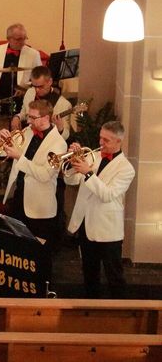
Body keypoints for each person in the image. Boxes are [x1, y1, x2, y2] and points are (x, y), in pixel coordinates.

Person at [65, 121, 135, 298]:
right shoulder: (93, 155)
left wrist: (88, 173)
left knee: (114, 276)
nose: (101, 143)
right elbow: (70, 181)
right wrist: (72, 161)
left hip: (107, 229)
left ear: (118, 142)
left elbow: (107, 195)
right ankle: (91, 310)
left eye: (107, 140)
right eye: (100, 138)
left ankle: (122, 314)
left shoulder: (126, 168)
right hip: (86, 225)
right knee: (89, 275)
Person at [0, 99, 67, 280]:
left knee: (40, 253)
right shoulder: (28, 132)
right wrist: (0, 139)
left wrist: (20, 157)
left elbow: (45, 175)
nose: (28, 121)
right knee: (16, 248)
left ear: (45, 118)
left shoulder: (59, 144)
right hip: (20, 197)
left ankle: (41, 288)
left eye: (32, 117)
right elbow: (2, 152)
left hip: (40, 207)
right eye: (29, 116)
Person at [11, 65, 72, 139]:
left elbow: (66, 136)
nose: (36, 90)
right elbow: (24, 113)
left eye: (40, 87)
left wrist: (60, 128)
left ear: (50, 82)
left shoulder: (64, 104)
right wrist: (17, 117)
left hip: (47, 141)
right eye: (34, 86)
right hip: (28, 136)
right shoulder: (30, 92)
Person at [0, 23, 42, 100]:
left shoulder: (34, 54)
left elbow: (39, 78)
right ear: (8, 39)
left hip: (20, 96)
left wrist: (25, 90)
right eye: (19, 39)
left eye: (24, 38)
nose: (23, 42)